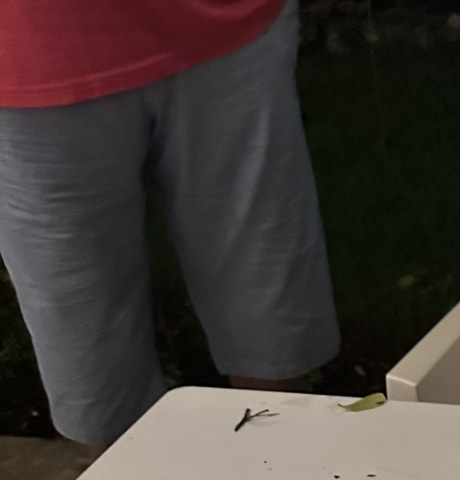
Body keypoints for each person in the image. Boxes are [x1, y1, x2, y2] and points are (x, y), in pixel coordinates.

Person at [0, 0, 339, 452]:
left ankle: (294, 479)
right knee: (94, 369)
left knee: (272, 328)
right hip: (24, 55)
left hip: (223, 25)